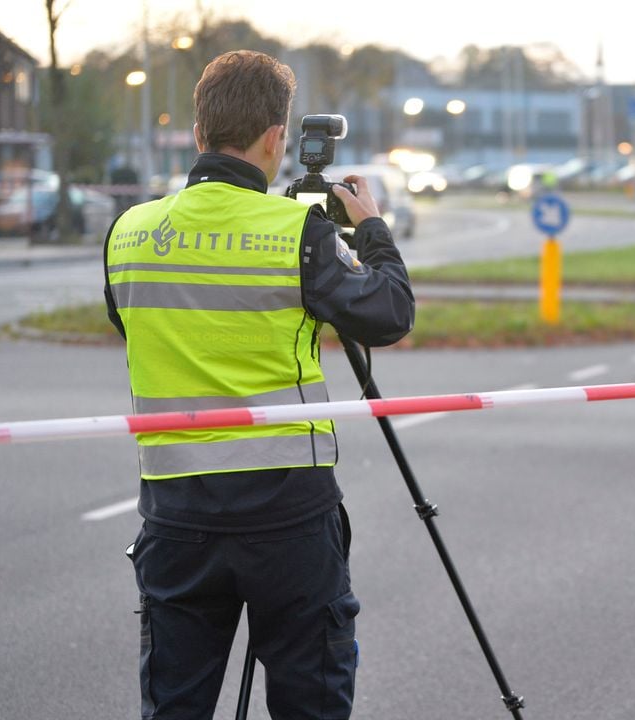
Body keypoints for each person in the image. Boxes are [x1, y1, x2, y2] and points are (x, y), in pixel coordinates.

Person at [103, 49, 414, 719]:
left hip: (175, 514)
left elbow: (136, 328)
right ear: (277, 138)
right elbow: (389, 316)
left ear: (197, 133)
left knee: (174, 706)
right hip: (288, 516)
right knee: (311, 703)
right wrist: (371, 229)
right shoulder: (296, 233)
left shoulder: (127, 233)